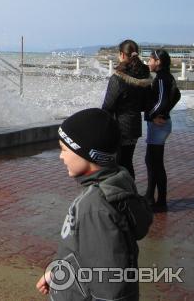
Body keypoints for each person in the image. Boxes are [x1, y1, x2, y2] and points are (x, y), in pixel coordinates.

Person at [36, 108, 151, 300]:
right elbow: (87, 255)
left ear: (88, 154)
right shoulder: (116, 186)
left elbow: (109, 286)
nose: (60, 156)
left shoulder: (94, 207)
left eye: (64, 149)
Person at [102, 39, 152, 179]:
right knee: (127, 161)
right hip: (134, 125)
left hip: (119, 127)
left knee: (118, 163)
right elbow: (146, 103)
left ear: (122, 55)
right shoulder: (144, 76)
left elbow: (108, 106)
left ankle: (125, 195)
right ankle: (131, 193)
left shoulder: (118, 78)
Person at [144, 49, 181, 213]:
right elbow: (177, 95)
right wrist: (165, 113)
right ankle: (150, 196)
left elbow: (161, 101)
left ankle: (161, 201)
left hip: (159, 125)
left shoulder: (160, 78)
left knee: (155, 163)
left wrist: (152, 116)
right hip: (162, 123)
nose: (148, 62)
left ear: (158, 62)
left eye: (150, 60)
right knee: (151, 161)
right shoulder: (167, 76)